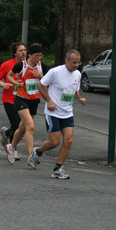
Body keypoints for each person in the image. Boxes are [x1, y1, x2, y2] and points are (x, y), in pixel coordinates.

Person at [29, 50, 86, 179]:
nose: (76, 65)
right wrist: (49, 101)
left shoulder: (77, 74)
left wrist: (80, 98)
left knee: (68, 140)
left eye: (78, 62)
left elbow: (75, 92)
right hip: (53, 112)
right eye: (74, 62)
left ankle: (58, 168)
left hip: (67, 113)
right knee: (54, 142)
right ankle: (38, 152)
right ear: (66, 61)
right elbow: (40, 85)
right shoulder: (55, 72)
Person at [4, 43, 49, 164]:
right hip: (21, 99)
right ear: (30, 55)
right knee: (30, 126)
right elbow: (9, 75)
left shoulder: (42, 67)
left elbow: (49, 84)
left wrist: (41, 77)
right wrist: (16, 83)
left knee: (22, 128)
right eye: (36, 55)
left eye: (40, 55)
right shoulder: (21, 66)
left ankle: (11, 147)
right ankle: (31, 156)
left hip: (34, 100)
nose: (38, 58)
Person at [0, 42, 27, 156]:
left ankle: (6, 133)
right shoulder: (7, 65)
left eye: (24, 50)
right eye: (20, 51)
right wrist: (3, 85)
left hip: (23, 100)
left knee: (20, 126)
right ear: (14, 53)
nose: (23, 52)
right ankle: (13, 150)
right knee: (17, 124)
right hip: (9, 99)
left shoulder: (28, 65)